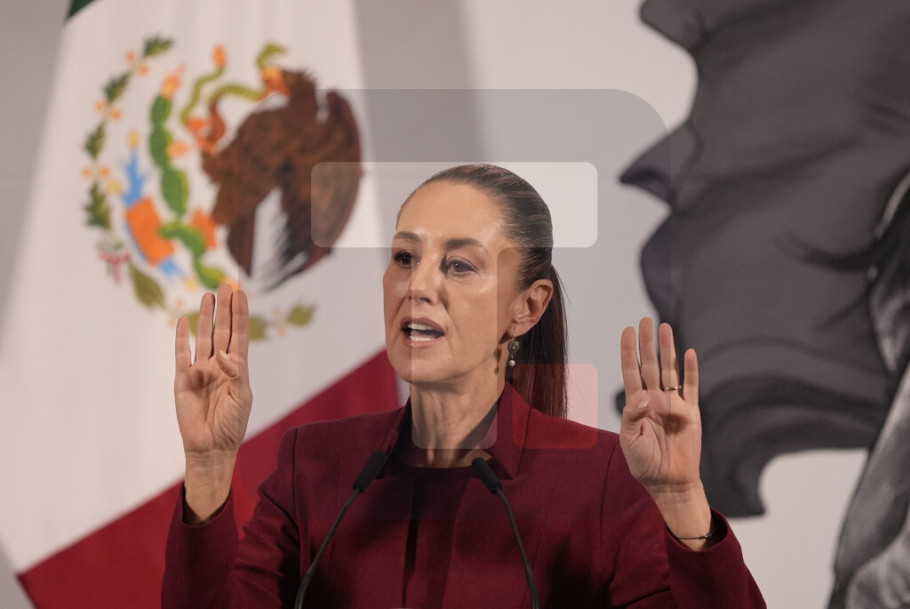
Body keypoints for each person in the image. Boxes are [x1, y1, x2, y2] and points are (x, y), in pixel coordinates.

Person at [162, 164, 766, 608]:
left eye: (458, 265)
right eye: (405, 258)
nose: (418, 286)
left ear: (527, 308)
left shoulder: (606, 482)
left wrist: (682, 501)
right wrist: (209, 467)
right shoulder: (315, 466)